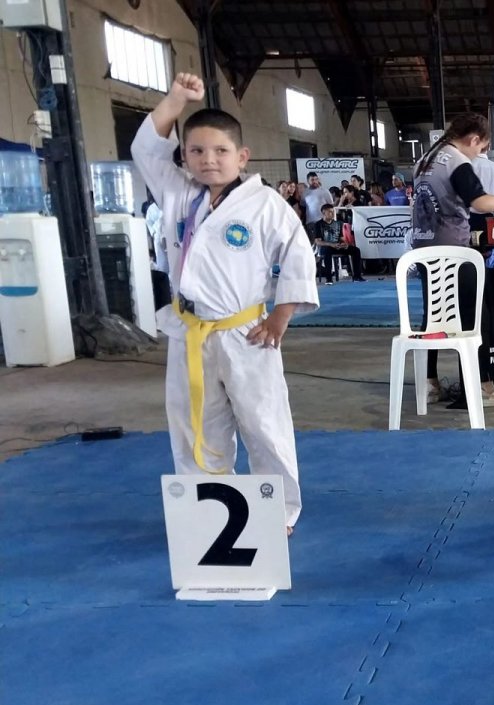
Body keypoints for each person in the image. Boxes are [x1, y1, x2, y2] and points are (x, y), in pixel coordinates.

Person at [131, 72, 319, 533]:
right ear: (185, 156)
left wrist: (282, 313)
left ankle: (281, 512)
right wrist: (175, 99)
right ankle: (207, 505)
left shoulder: (264, 204)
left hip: (246, 331)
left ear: (242, 156)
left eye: (220, 151)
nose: (208, 160)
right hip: (189, 332)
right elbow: (146, 149)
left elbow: (297, 254)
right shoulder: (177, 192)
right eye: (196, 151)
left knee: (263, 422)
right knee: (195, 423)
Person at [411, 112, 494, 407]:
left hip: (424, 249)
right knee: (478, 319)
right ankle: (481, 387)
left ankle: (430, 383)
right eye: (480, 149)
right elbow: (481, 202)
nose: (479, 156)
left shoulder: (426, 158)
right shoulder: (457, 162)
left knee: (432, 319)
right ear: (474, 139)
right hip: (453, 252)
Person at [309, 203, 365, 282]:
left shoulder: (338, 223)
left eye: (333, 212)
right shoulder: (318, 224)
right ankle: (329, 279)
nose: (332, 214)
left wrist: (344, 244)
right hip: (326, 247)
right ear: (323, 213)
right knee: (327, 251)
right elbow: (318, 242)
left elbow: (341, 238)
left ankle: (357, 276)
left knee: (356, 250)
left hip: (337, 246)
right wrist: (331, 244)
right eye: (329, 212)